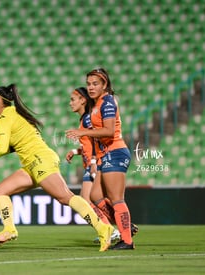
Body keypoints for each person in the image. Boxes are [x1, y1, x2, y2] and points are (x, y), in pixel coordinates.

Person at [0, 84, 114, 252]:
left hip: (40, 160)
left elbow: (1, 148)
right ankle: (9, 230)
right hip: (32, 163)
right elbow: (14, 145)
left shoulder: (5, 117)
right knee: (0, 191)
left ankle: (103, 229)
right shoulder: (15, 114)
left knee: (65, 197)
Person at [66, 68, 135, 250]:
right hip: (106, 155)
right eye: (88, 84)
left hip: (116, 152)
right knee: (95, 196)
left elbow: (110, 131)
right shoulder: (96, 105)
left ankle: (127, 240)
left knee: (116, 199)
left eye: (95, 83)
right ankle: (124, 226)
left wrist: (83, 132)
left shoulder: (108, 102)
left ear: (105, 85)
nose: (90, 87)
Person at [65, 87, 121, 243]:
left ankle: (115, 227)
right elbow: (89, 144)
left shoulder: (89, 119)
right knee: (89, 199)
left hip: (94, 163)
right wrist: (75, 151)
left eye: (72, 99)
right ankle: (116, 227)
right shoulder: (84, 119)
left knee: (89, 200)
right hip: (91, 162)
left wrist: (94, 162)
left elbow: (97, 140)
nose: (70, 103)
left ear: (82, 100)